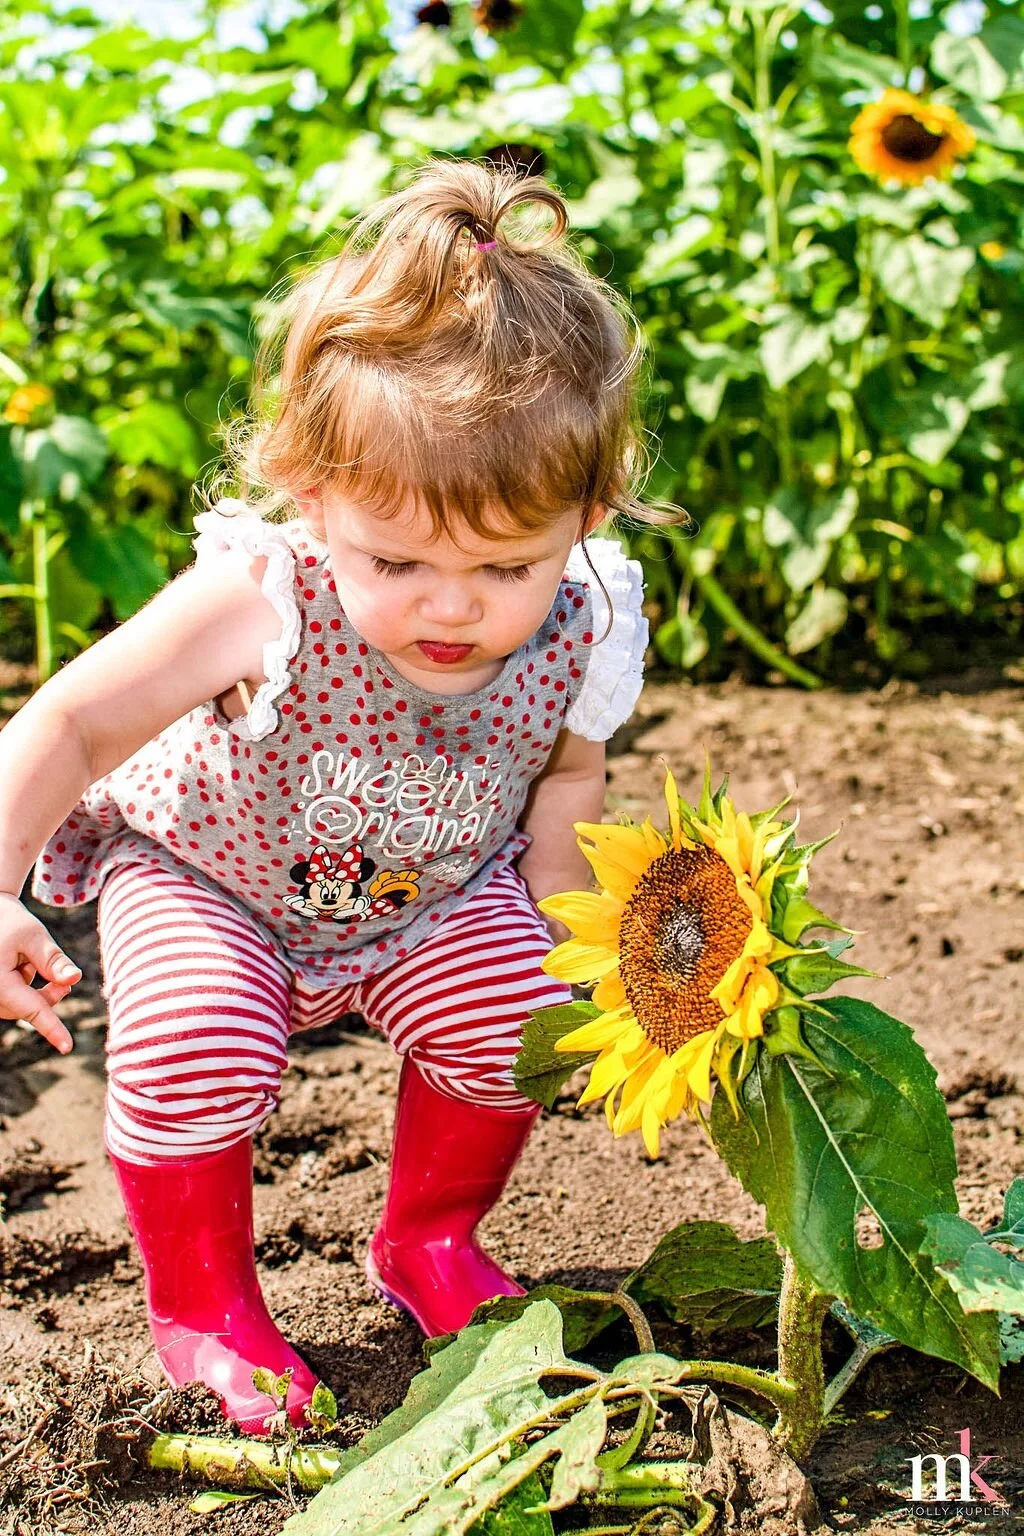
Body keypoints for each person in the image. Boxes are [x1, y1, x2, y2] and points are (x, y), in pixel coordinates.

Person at [0, 160, 682, 1434]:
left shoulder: (587, 622)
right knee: (199, 1045)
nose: (451, 604)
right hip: (215, 880)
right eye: (398, 560)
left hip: (426, 894)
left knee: (517, 1014)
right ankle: (200, 1304)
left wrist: (585, 961)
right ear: (311, 494)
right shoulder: (262, 597)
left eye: (505, 564)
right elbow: (71, 719)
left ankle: (426, 1239)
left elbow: (561, 797)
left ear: (587, 517)